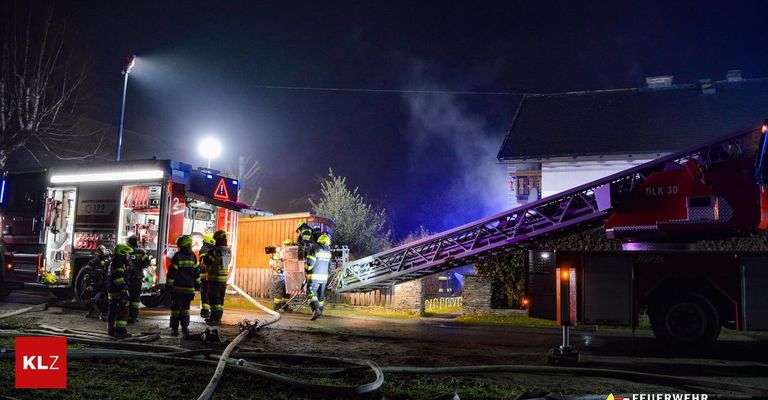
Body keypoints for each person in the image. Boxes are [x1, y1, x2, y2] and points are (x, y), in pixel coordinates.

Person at [166, 235, 200, 336]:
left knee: (175, 309)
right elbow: (196, 272)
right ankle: (185, 328)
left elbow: (172, 272)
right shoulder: (193, 256)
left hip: (177, 289)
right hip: (189, 289)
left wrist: (168, 285)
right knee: (185, 309)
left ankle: (174, 329)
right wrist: (197, 285)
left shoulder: (177, 256)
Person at [202, 230, 231, 325]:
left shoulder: (213, 251)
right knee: (220, 299)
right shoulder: (228, 250)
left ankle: (214, 317)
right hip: (223, 280)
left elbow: (206, 261)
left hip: (214, 278)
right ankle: (218, 317)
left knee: (214, 299)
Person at [108, 244, 133, 338]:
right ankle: (120, 332)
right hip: (118, 291)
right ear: (122, 253)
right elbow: (118, 278)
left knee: (113, 311)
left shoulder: (114, 261)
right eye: (127, 254)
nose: (128, 256)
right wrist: (124, 290)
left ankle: (111, 330)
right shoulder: (119, 263)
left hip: (112, 290)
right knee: (123, 311)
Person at [305, 233, 332, 321]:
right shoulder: (328, 251)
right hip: (324, 278)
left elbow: (310, 263)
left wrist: (306, 268)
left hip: (314, 277)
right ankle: (320, 313)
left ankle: (316, 310)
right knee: (320, 297)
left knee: (310, 293)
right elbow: (329, 266)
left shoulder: (315, 248)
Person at [126, 235, 150, 323]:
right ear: (136, 242)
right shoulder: (140, 252)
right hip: (137, 278)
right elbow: (146, 263)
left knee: (126, 297)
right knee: (135, 299)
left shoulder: (125, 251)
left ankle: (125, 315)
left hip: (126, 278)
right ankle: (133, 317)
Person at [84, 245, 111, 320]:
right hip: (96, 283)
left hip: (106, 283)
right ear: (97, 251)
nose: (102, 251)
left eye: (103, 249)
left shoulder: (110, 260)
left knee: (106, 298)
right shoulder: (93, 261)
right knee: (86, 296)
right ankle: (92, 312)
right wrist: (88, 284)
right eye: (100, 249)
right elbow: (87, 272)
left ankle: (104, 314)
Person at [270, 239, 292, 311]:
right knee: (279, 291)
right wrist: (278, 268)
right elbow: (272, 263)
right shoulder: (278, 253)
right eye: (288, 245)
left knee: (287, 292)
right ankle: (277, 307)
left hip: (287, 275)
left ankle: (285, 306)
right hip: (279, 275)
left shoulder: (290, 253)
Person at [198, 233, 215, 319]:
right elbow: (203, 263)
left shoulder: (208, 249)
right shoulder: (204, 250)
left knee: (208, 293)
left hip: (208, 276)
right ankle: (205, 311)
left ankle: (207, 311)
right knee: (205, 294)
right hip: (205, 276)